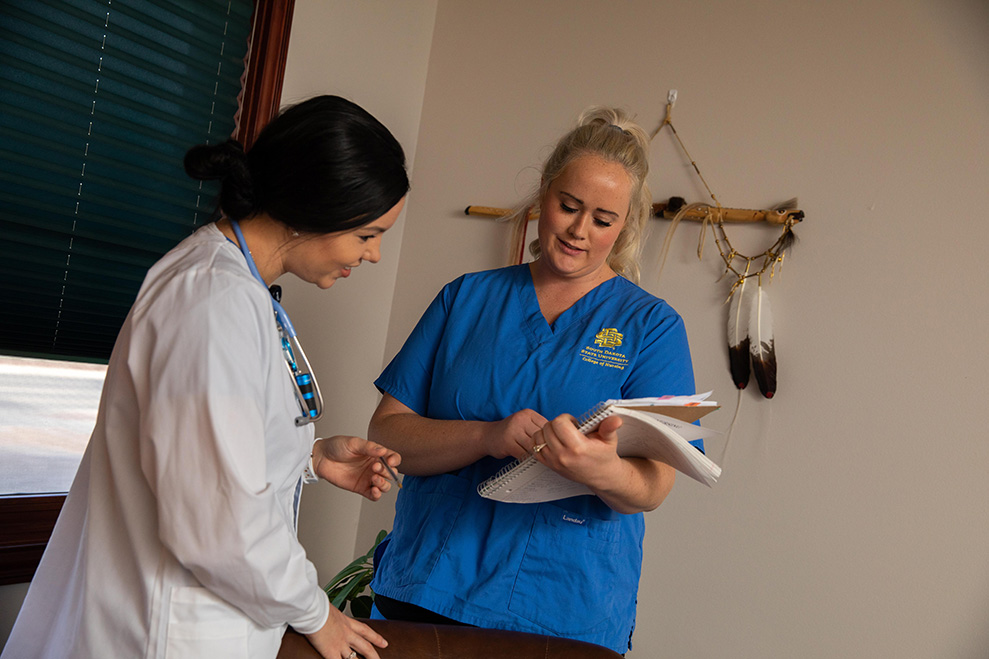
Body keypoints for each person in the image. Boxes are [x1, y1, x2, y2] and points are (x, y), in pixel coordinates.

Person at [2, 96, 408, 659]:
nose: (375, 255)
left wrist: (308, 460)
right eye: (367, 234)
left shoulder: (236, 288)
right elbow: (220, 523)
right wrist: (317, 613)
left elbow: (204, 460)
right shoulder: (212, 302)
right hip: (171, 633)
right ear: (311, 208)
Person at [365, 107, 698, 655]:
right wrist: (487, 436)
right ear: (544, 193)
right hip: (428, 587)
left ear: (625, 226)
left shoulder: (652, 328)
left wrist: (604, 469)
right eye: (568, 206)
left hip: (561, 609)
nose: (578, 230)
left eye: (602, 219)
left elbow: (655, 486)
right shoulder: (465, 298)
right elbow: (388, 434)